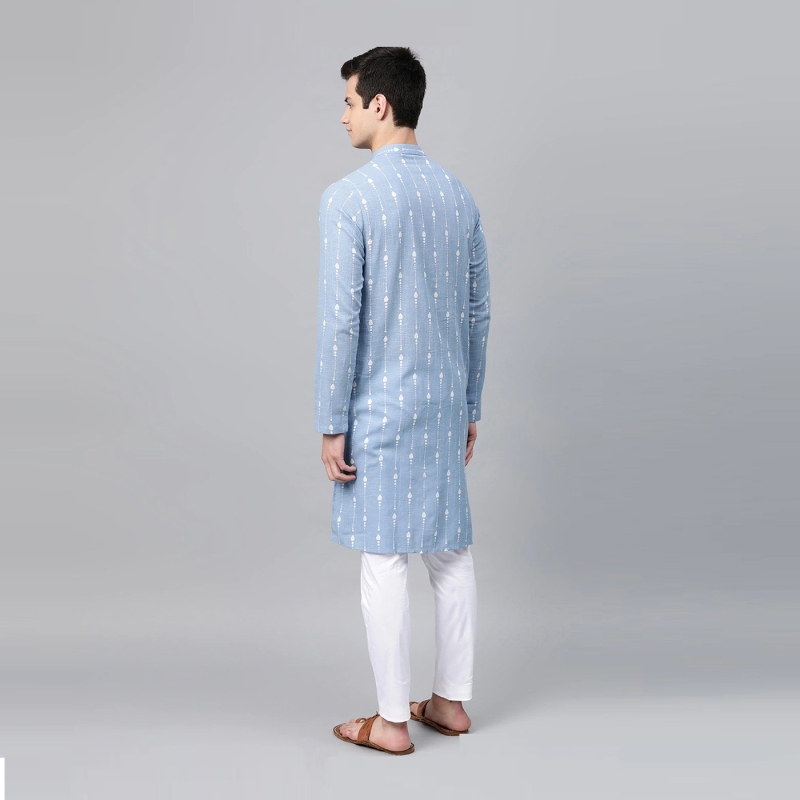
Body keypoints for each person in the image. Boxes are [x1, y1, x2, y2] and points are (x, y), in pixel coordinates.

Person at [314, 46, 491, 755]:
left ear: (380, 105)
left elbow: (341, 321)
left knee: (384, 557)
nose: (343, 116)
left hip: (380, 412)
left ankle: (390, 721)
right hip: (444, 406)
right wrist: (470, 405)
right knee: (450, 554)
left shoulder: (348, 199)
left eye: (349, 102)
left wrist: (331, 422)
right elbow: (478, 313)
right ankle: (449, 703)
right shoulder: (459, 196)